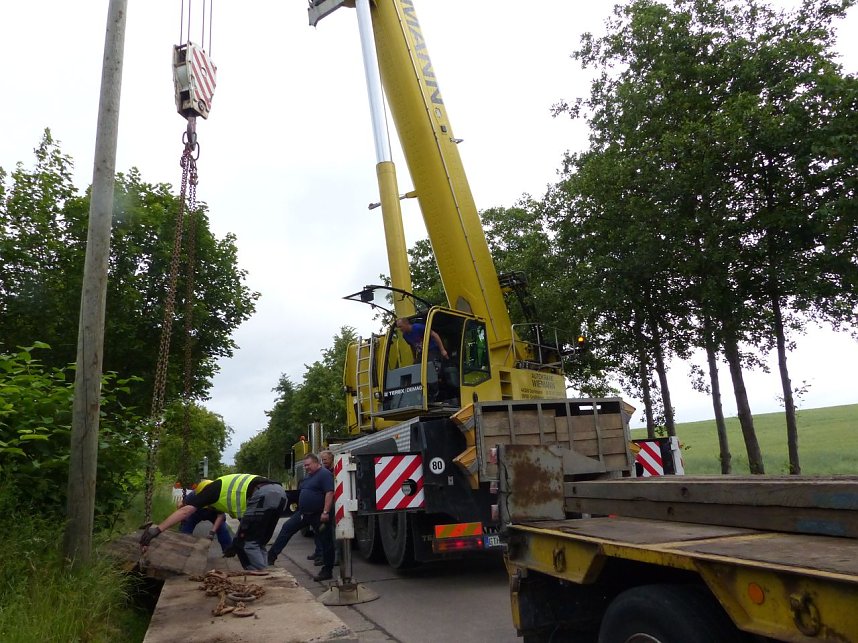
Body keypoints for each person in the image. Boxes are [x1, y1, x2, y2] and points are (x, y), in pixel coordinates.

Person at [140, 474, 287, 570]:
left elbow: (186, 511)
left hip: (263, 494)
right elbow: (246, 525)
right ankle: (264, 571)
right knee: (257, 542)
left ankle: (263, 578)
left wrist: (157, 530)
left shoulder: (212, 491)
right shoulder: (227, 490)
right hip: (280, 494)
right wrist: (236, 543)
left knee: (247, 544)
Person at [267, 453, 335, 581]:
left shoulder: (324, 474)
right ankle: (270, 557)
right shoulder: (308, 476)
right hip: (304, 514)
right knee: (287, 528)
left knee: (326, 541)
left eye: (308, 465)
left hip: (318, 515)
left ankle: (327, 570)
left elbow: (329, 493)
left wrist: (325, 512)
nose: (306, 467)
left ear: (316, 463)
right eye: (305, 466)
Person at [178, 488, 233, 554]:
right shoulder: (194, 495)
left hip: (214, 513)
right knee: (186, 525)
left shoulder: (219, 498)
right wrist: (183, 518)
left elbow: (220, 516)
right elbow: (181, 505)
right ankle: (182, 548)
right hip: (196, 512)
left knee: (222, 529)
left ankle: (228, 552)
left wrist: (212, 532)